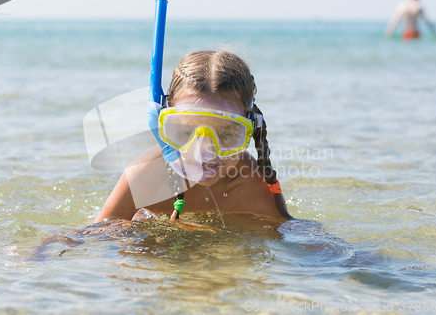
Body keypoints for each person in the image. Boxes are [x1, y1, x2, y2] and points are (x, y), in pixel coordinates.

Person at [93, 51, 294, 224]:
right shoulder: (145, 175)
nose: (204, 151)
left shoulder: (253, 183)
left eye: (224, 134)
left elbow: (282, 233)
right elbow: (98, 234)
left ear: (252, 130)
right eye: (187, 132)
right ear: (159, 124)